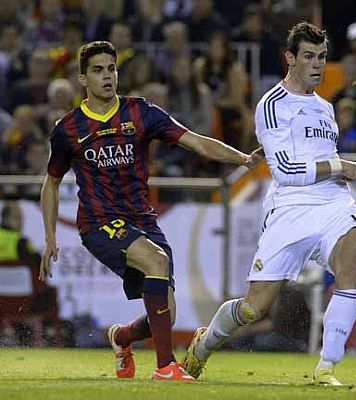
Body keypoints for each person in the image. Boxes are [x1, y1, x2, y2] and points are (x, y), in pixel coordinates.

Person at [39, 41, 261, 382]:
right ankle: (164, 367)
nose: (107, 76)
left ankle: (121, 337)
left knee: (166, 315)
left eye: (111, 68)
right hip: (99, 224)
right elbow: (51, 183)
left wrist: (243, 158)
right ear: (82, 78)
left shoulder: (141, 113)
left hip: (142, 219)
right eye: (98, 70)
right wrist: (51, 236)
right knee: (156, 261)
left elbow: (196, 141)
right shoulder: (68, 129)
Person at [182, 22, 356, 386]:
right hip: (290, 207)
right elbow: (284, 170)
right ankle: (204, 345)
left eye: (322, 57)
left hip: (333, 201)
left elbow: (316, 160)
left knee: (351, 262)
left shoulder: (325, 108)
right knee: (254, 307)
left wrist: (336, 173)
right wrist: (340, 165)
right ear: (290, 59)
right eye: (309, 57)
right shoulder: (272, 105)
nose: (317, 65)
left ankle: (327, 367)